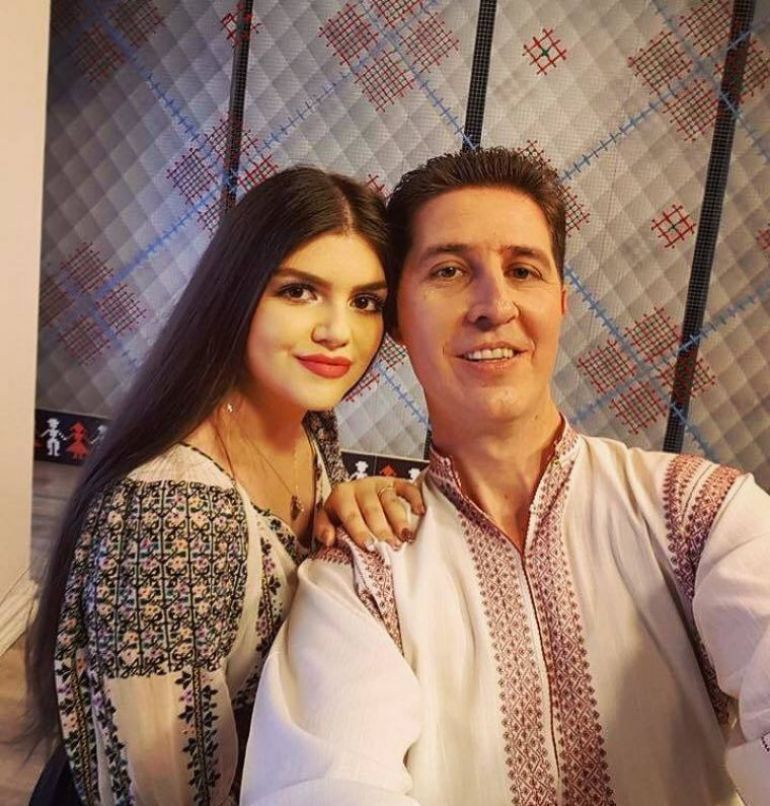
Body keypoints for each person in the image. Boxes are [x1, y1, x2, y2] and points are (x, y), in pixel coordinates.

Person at [241, 148, 770, 805]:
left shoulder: (698, 513)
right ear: (397, 318)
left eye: (523, 270)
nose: (494, 305)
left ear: (560, 303)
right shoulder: (363, 571)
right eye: (449, 270)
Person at [26, 165, 423, 805]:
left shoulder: (308, 422)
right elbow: (160, 789)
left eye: (365, 301)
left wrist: (344, 502)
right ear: (235, 292)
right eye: (299, 291)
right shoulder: (172, 506)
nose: (337, 331)